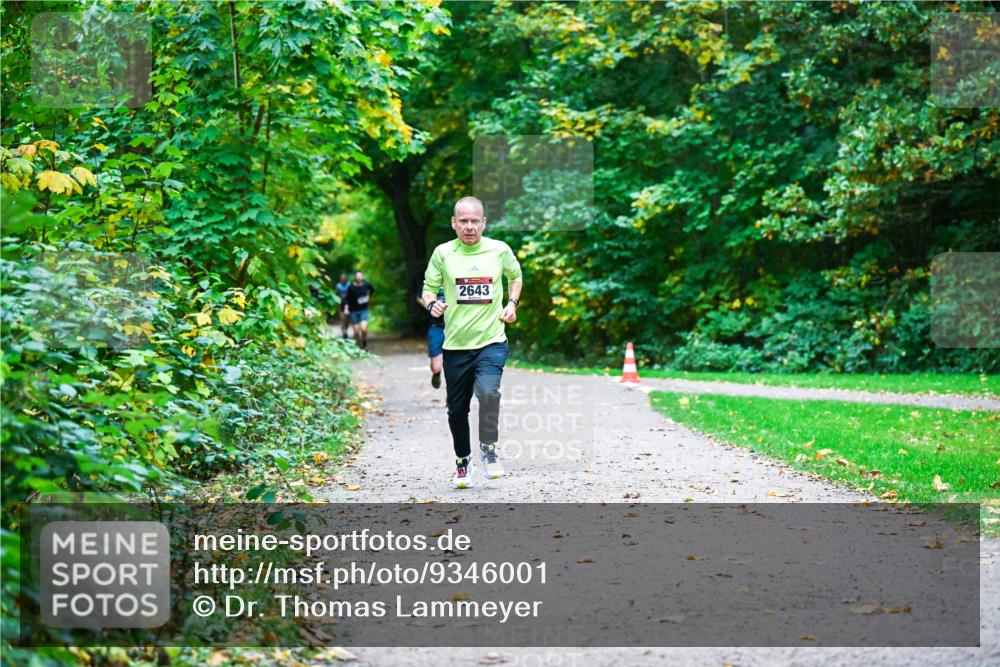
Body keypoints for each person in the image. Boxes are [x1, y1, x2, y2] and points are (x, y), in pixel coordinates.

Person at [422, 196, 522, 489]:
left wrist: (512, 303)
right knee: (457, 409)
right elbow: (428, 289)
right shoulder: (443, 253)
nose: (469, 227)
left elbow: (515, 276)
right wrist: (432, 305)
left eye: (474, 221)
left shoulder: (499, 250)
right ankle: (463, 461)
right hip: (455, 346)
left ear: (483, 223)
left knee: (490, 393)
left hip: (492, 340)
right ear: (454, 224)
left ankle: (488, 449)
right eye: (463, 221)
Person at [417, 288, 446, 389]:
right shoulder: (431, 280)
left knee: (456, 365)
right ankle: (436, 373)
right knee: (436, 367)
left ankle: (453, 396)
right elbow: (420, 297)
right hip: (436, 326)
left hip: (455, 328)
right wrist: (432, 307)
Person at [345, 271, 374, 350]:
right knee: (356, 332)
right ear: (355, 277)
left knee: (364, 328)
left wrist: (368, 296)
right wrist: (346, 308)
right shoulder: (351, 287)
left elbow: (372, 290)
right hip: (353, 311)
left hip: (363, 310)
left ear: (362, 277)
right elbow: (347, 299)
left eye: (360, 276)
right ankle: (359, 344)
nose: (359, 277)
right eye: (357, 276)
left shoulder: (366, 285)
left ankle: (365, 343)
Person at [335, 273, 350, 339]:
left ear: (346, 279)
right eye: (342, 278)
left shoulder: (349, 285)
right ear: (340, 279)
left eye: (344, 278)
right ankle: (344, 332)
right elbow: (336, 295)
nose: (343, 279)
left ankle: (345, 329)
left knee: (347, 319)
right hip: (341, 304)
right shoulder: (338, 286)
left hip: (348, 304)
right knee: (342, 318)